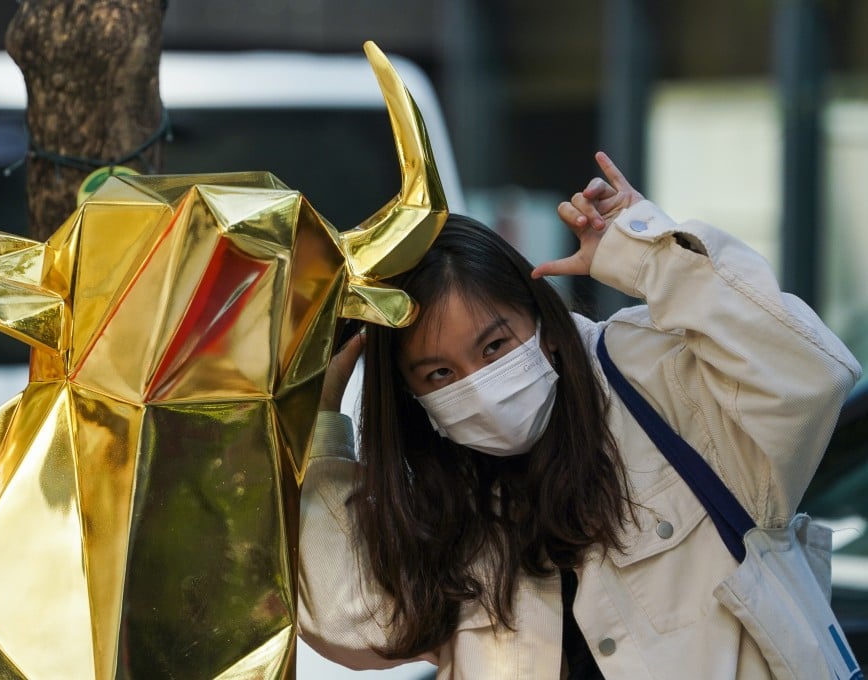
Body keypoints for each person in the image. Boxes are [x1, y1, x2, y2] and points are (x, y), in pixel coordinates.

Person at [298, 151, 863, 679]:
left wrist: (650, 257)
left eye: (494, 346)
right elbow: (354, 619)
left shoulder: (653, 379)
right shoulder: (444, 499)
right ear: (412, 395)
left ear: (542, 325)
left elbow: (810, 376)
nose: (479, 386)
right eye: (440, 374)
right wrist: (321, 420)